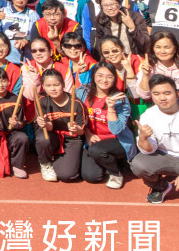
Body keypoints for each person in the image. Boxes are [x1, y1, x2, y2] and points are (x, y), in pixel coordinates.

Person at [77, 62, 135, 188]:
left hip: (117, 140)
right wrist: (88, 134)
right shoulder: (82, 92)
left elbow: (116, 130)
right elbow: (79, 118)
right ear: (93, 76)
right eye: (100, 75)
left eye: (109, 76)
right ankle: (109, 162)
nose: (104, 80)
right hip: (93, 139)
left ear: (114, 79)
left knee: (96, 150)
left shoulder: (120, 98)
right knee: (91, 176)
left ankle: (116, 173)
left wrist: (111, 108)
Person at [131, 75, 179, 204]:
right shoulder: (148, 115)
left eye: (167, 93)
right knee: (139, 164)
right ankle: (161, 187)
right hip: (165, 156)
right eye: (156, 94)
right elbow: (149, 150)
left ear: (177, 93)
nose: (162, 98)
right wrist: (143, 138)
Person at [34, 68, 86, 182]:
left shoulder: (77, 103)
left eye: (56, 85)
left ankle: (61, 161)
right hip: (51, 135)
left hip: (71, 138)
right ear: (43, 86)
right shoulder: (41, 100)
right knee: (43, 138)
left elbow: (82, 131)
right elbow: (49, 127)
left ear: (63, 84)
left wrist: (76, 129)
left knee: (67, 175)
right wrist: (44, 124)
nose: (53, 88)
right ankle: (45, 163)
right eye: (48, 85)